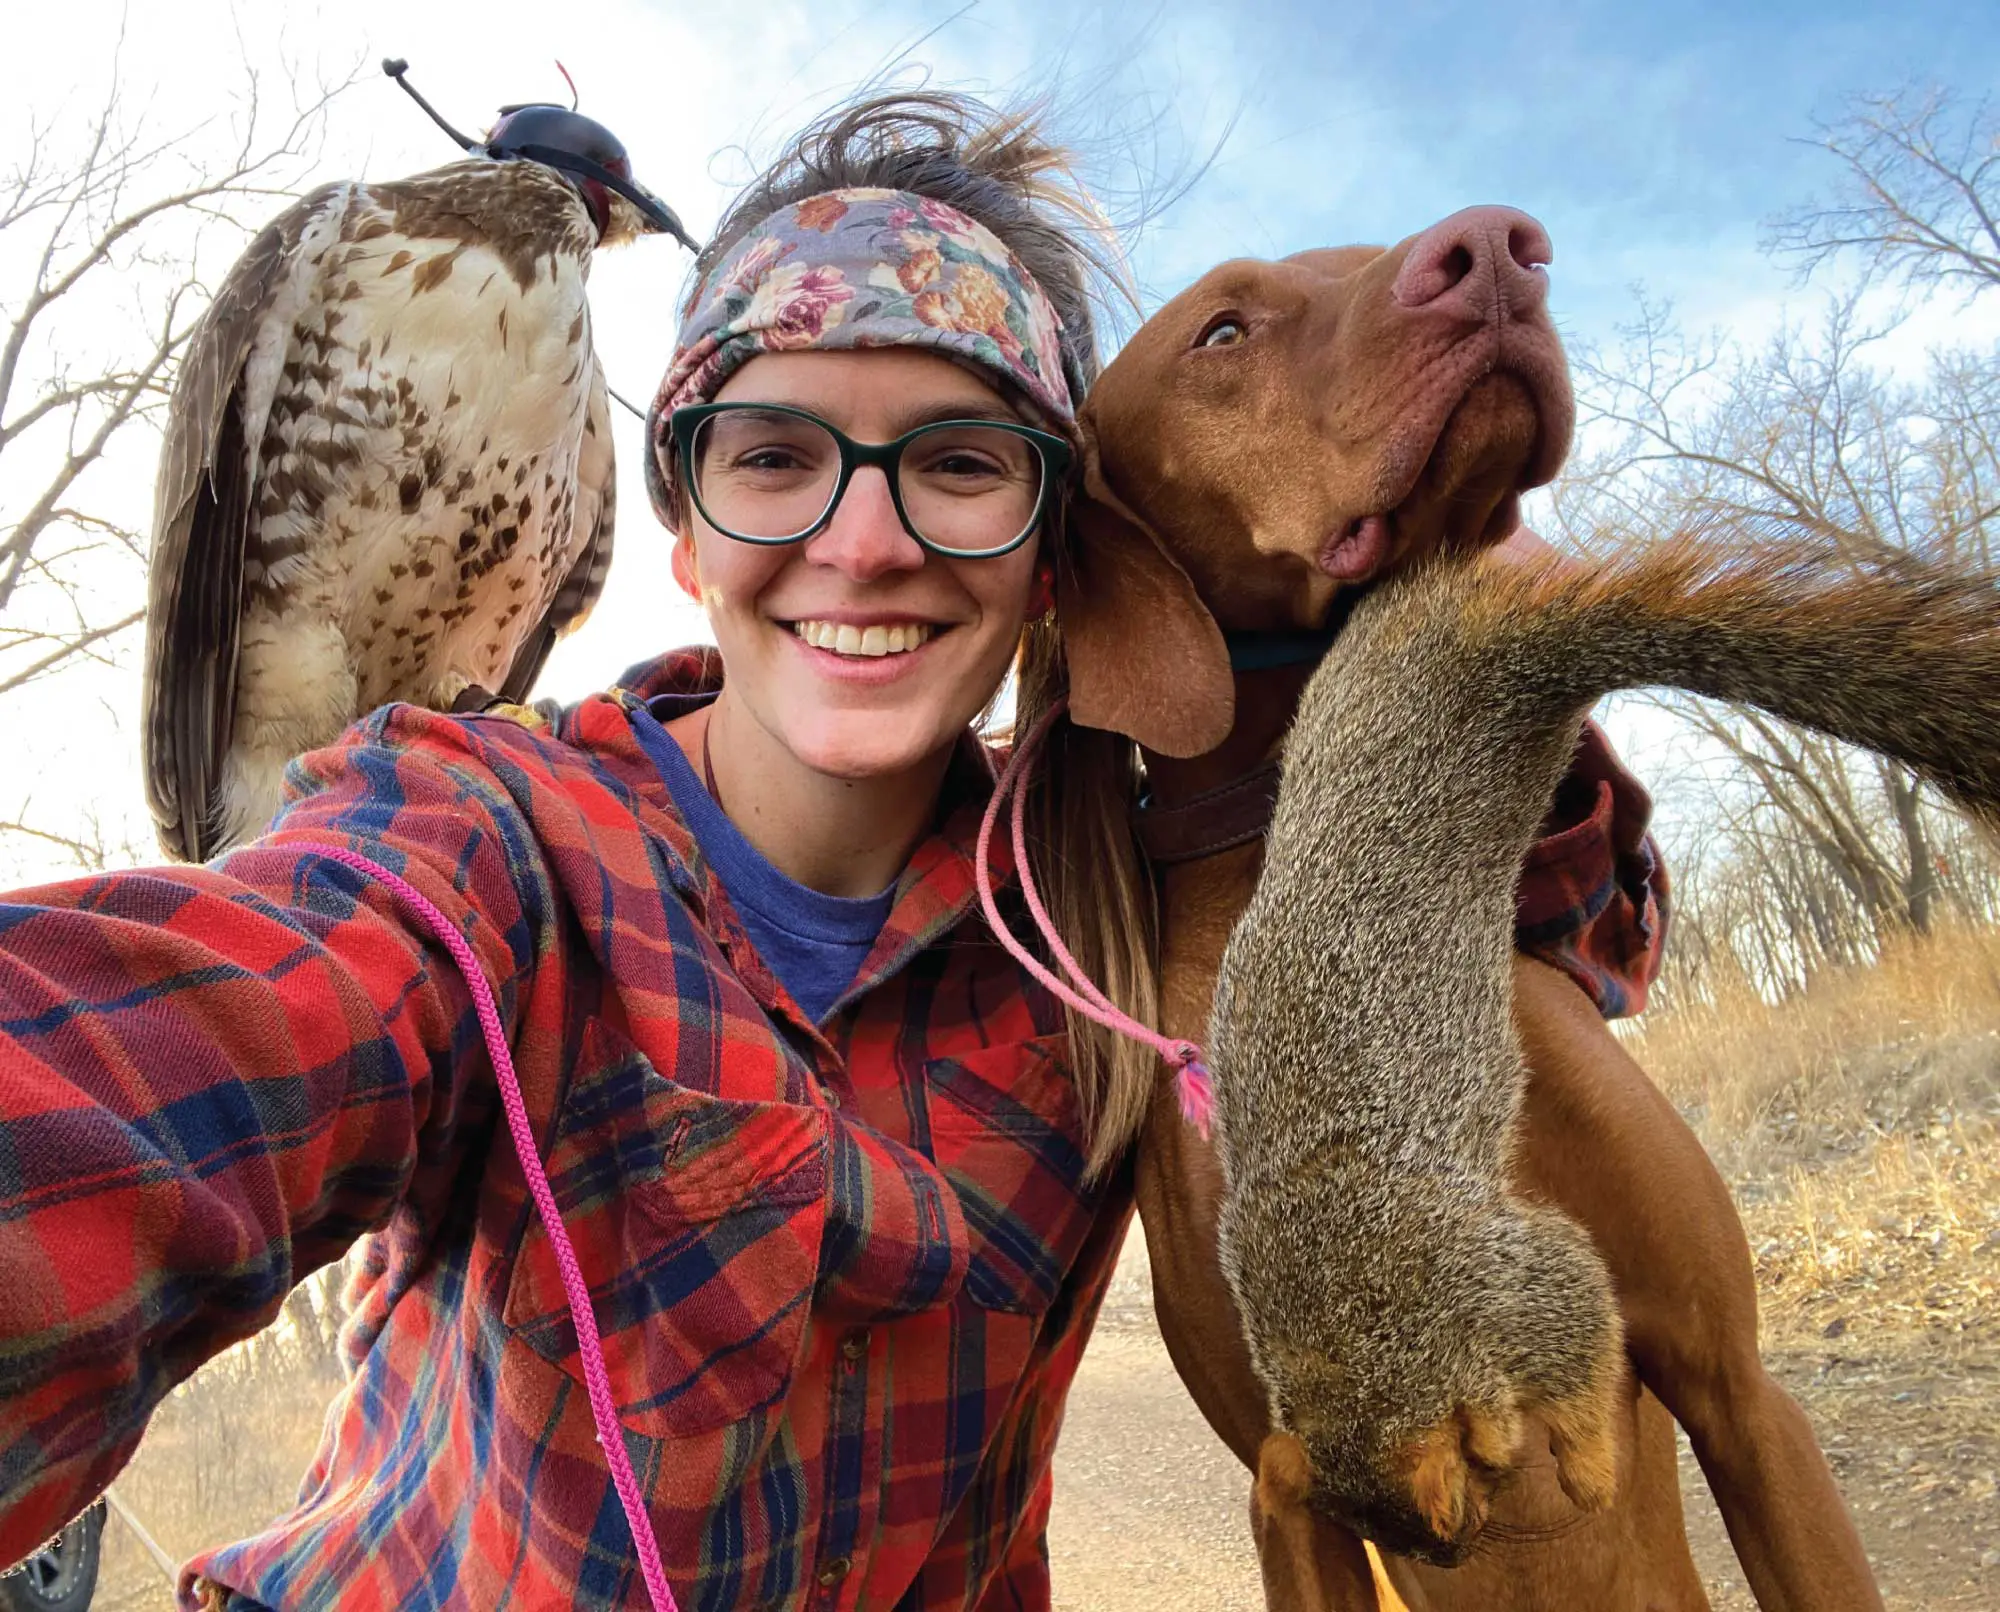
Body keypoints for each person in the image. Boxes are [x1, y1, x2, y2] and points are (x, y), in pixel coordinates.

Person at [0, 93, 1667, 1610]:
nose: (859, 546)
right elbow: (196, 1041)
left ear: (1053, 555)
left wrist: (1424, 594)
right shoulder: (483, 845)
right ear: (681, 532)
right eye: (778, 459)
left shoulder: (1088, 919)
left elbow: (1571, 919)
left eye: (956, 464)